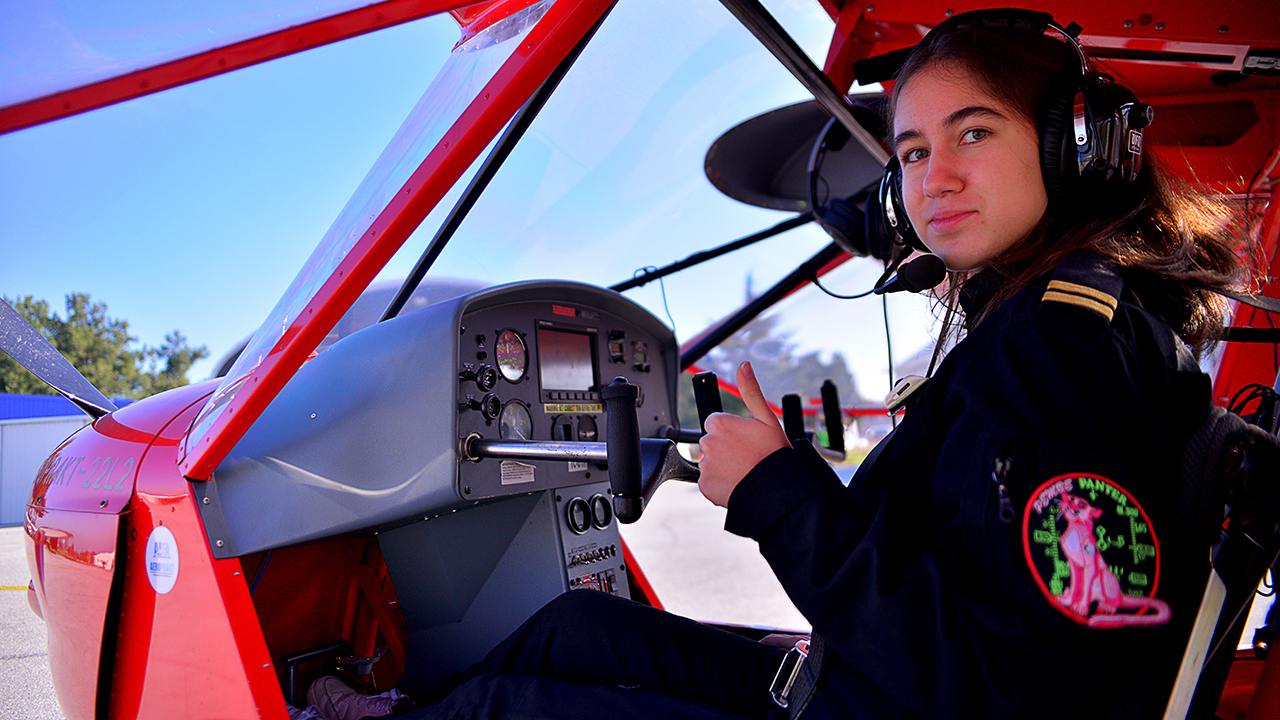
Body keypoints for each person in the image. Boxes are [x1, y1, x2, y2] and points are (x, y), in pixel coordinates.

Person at [303, 9, 1250, 720]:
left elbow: (992, 683)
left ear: (1073, 143)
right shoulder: (1083, 324)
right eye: (913, 152)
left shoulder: (1058, 348)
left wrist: (776, 490)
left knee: (502, 710)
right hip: (866, 680)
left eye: (974, 132)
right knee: (575, 626)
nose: (934, 180)